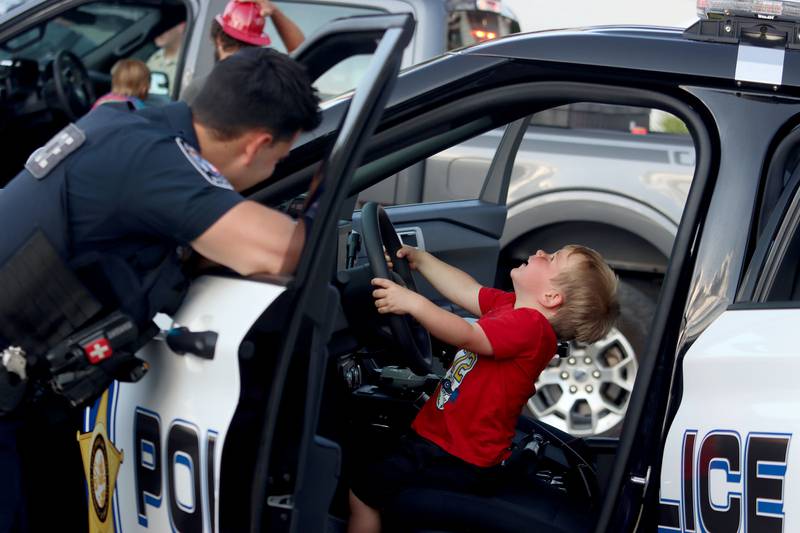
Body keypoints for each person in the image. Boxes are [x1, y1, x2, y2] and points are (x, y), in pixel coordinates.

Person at [0, 47, 320, 532]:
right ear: (257, 145)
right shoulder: (154, 159)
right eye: (278, 159)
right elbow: (278, 252)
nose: (273, 174)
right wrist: (323, 206)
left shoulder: (131, 125)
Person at [348, 245, 620, 533]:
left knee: (363, 494)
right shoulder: (514, 308)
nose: (540, 252)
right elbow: (468, 290)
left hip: (456, 452)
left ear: (551, 297)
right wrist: (423, 260)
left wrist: (412, 303)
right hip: (449, 441)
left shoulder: (530, 327)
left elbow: (468, 334)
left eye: (552, 259)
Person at [181, 0, 305, 103]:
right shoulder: (271, 88)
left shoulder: (199, 90)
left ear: (218, 39)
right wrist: (275, 12)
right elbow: (306, 55)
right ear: (257, 43)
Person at [146, 21, 186, 93]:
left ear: (181, 26)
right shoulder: (153, 59)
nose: (157, 31)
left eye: (163, 27)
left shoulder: (191, 60)